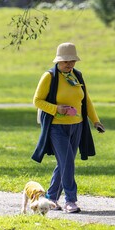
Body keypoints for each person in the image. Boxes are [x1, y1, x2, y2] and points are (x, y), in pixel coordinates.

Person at [31, 42, 105, 213]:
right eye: (66, 61)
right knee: (67, 162)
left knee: (65, 163)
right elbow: (37, 101)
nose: (69, 64)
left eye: (72, 61)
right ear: (58, 61)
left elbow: (85, 100)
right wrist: (57, 109)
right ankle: (70, 201)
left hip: (76, 126)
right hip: (56, 127)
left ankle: (50, 198)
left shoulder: (77, 75)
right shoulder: (49, 77)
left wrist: (95, 121)